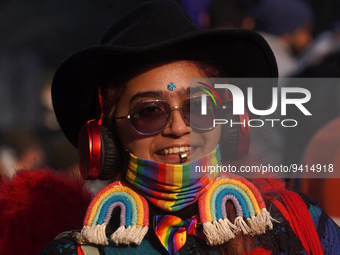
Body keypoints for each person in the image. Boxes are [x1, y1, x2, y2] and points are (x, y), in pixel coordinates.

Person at [24, 0, 338, 254]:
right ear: (105, 138)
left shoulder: (302, 222)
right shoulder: (78, 251)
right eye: (149, 111)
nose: (178, 127)